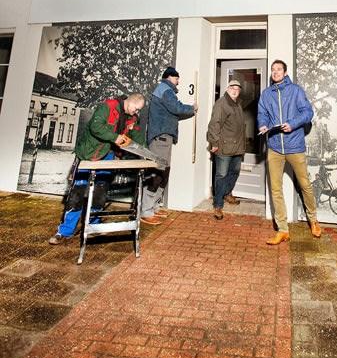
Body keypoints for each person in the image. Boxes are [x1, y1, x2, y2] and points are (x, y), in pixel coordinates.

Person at [49, 93, 145, 244]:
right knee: (78, 192)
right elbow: (95, 127)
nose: (136, 112)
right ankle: (65, 230)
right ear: (130, 102)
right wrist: (115, 138)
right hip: (89, 152)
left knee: (100, 191)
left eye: (139, 110)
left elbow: (137, 137)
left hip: (108, 154)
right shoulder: (108, 106)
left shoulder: (132, 118)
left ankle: (93, 225)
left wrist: (145, 152)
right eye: (136, 108)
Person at [258, 59, 322, 244]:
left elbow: (308, 112)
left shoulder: (296, 90)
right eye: (273, 69)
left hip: (295, 146)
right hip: (275, 147)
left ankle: (313, 220)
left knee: (305, 185)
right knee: (275, 189)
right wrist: (262, 125)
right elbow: (262, 114)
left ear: (285, 73)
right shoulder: (266, 94)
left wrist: (292, 124)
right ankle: (283, 229)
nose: (275, 72)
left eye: (279, 69)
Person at [141, 66, 197, 225]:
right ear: (170, 77)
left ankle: (154, 207)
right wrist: (192, 108)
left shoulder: (165, 90)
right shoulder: (165, 90)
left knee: (164, 173)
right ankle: (146, 211)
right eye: (177, 78)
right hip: (160, 139)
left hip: (163, 138)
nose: (178, 81)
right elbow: (176, 108)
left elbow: (171, 112)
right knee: (157, 173)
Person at [207, 79, 246, 220]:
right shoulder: (222, 103)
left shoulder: (237, 103)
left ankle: (227, 193)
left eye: (237, 88)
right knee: (221, 175)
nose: (235, 90)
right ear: (227, 88)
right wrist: (214, 143)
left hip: (237, 147)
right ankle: (218, 205)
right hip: (224, 146)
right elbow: (214, 125)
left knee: (234, 171)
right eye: (232, 87)